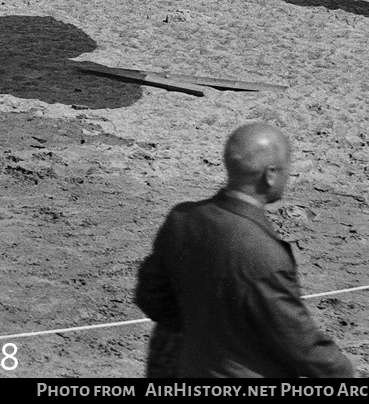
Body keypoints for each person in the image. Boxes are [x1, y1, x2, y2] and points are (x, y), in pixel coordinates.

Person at [134, 122, 356, 378]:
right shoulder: (264, 254)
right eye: (286, 169)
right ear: (270, 174)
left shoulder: (182, 220)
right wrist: (341, 370)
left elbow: (151, 298)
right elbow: (297, 342)